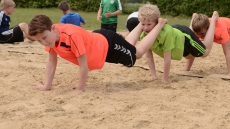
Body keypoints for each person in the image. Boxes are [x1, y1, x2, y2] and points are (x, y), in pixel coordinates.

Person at [28, 14, 167, 92]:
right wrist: (47, 86)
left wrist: (80, 89)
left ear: (52, 28)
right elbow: (52, 61)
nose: (44, 43)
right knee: (129, 46)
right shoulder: (51, 38)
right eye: (39, 41)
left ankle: (159, 24)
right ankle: (142, 23)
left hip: (108, 46)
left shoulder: (71, 36)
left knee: (137, 53)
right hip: (98, 42)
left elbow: (84, 65)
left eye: (45, 38)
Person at [138, 4, 219, 83]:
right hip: (177, 39)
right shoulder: (144, 36)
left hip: (184, 35)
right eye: (143, 24)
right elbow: (148, 57)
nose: (145, 28)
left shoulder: (166, 34)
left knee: (205, 52)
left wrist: (165, 79)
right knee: (189, 56)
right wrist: (153, 76)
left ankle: (213, 19)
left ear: (157, 23)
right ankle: (194, 18)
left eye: (149, 24)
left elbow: (167, 59)